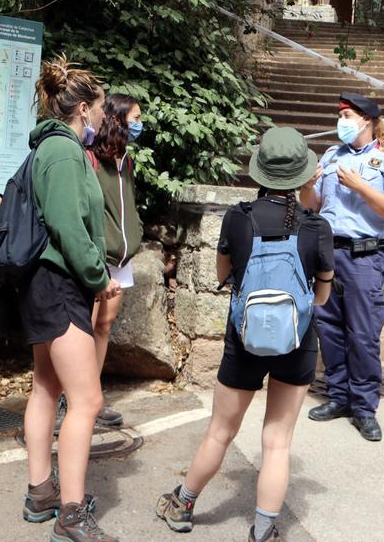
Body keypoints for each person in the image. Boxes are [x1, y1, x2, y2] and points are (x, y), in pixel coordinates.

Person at [156, 127, 334, 542]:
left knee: (221, 429)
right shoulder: (316, 226)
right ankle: (265, 530)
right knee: (276, 442)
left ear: (261, 172)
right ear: (302, 175)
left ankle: (183, 504)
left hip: (244, 337)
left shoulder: (238, 217)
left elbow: (224, 276)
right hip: (297, 339)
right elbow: (322, 296)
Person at [20, 55, 121, 542]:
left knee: (47, 387)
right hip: (61, 284)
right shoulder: (62, 152)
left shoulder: (52, 147)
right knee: (88, 399)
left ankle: (42, 492)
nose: (104, 117)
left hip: (47, 283)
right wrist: (99, 278)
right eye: (101, 108)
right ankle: (71, 514)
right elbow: (68, 225)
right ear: (83, 108)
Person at [299, 91, 384, 442]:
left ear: (367, 120)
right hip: (328, 252)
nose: (342, 121)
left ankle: (364, 407)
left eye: (347, 115)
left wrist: (361, 187)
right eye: (340, 115)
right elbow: (313, 206)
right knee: (328, 327)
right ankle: (339, 396)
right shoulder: (331, 155)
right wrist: (306, 186)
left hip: (365, 256)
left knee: (362, 333)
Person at [85, 93, 145, 427]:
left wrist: (135, 231)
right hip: (98, 255)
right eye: (135, 118)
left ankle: (93, 397)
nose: (140, 125)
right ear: (117, 120)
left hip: (122, 257)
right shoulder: (92, 159)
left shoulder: (126, 161)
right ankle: (75, 397)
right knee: (87, 326)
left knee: (104, 326)